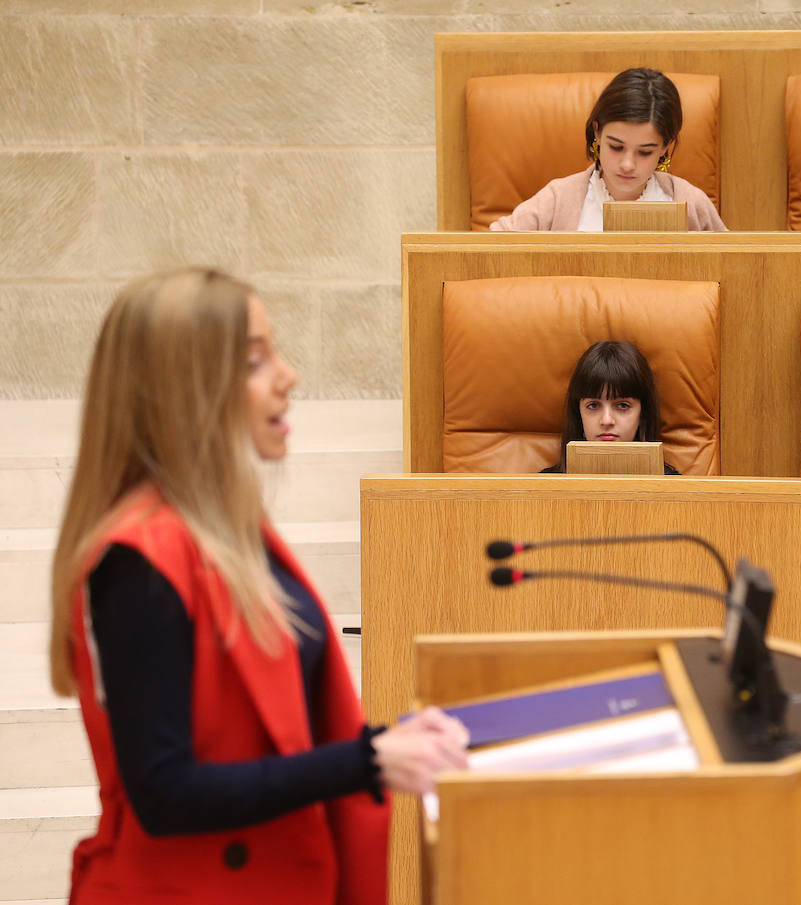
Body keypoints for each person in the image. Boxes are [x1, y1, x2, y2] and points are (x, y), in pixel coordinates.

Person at [48, 269, 471, 905]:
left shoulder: (227, 526)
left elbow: (277, 726)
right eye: (254, 361)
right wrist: (368, 760)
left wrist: (387, 741)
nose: (288, 375)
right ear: (183, 393)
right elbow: (165, 793)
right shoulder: (138, 563)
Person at [490, 67, 726, 232]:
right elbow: (491, 246)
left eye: (645, 152)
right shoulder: (559, 198)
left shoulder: (690, 202)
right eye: (616, 146)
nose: (627, 164)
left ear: (665, 146)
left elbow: (730, 266)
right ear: (597, 132)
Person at [542, 340, 680, 474]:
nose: (606, 420)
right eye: (593, 405)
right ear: (578, 414)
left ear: (642, 414)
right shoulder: (541, 489)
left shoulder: (678, 490)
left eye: (622, 405)